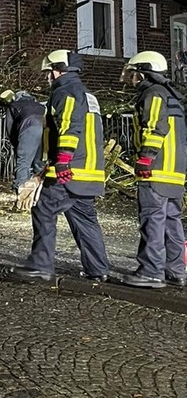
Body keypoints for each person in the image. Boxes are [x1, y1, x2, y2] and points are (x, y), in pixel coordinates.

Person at [12, 50, 110, 283]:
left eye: (48, 72)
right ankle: (98, 270)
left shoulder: (65, 92)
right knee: (85, 221)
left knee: (43, 209)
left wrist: (62, 161)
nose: (47, 77)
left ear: (56, 71)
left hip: (69, 172)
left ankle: (41, 266)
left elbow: (70, 128)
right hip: (89, 172)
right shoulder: (86, 94)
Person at [119, 51, 187, 289]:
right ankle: (176, 271)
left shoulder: (153, 93)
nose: (132, 78)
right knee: (172, 222)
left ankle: (151, 272)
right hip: (175, 172)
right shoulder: (172, 96)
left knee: (152, 222)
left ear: (143, 72)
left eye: (134, 73)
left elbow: (155, 128)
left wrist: (145, 159)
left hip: (155, 171)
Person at [0, 89, 46, 194]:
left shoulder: (15, 105)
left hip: (29, 128)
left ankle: (21, 191)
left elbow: (10, 128)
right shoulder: (37, 104)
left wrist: (16, 145)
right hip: (44, 129)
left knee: (23, 162)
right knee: (38, 163)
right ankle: (40, 191)